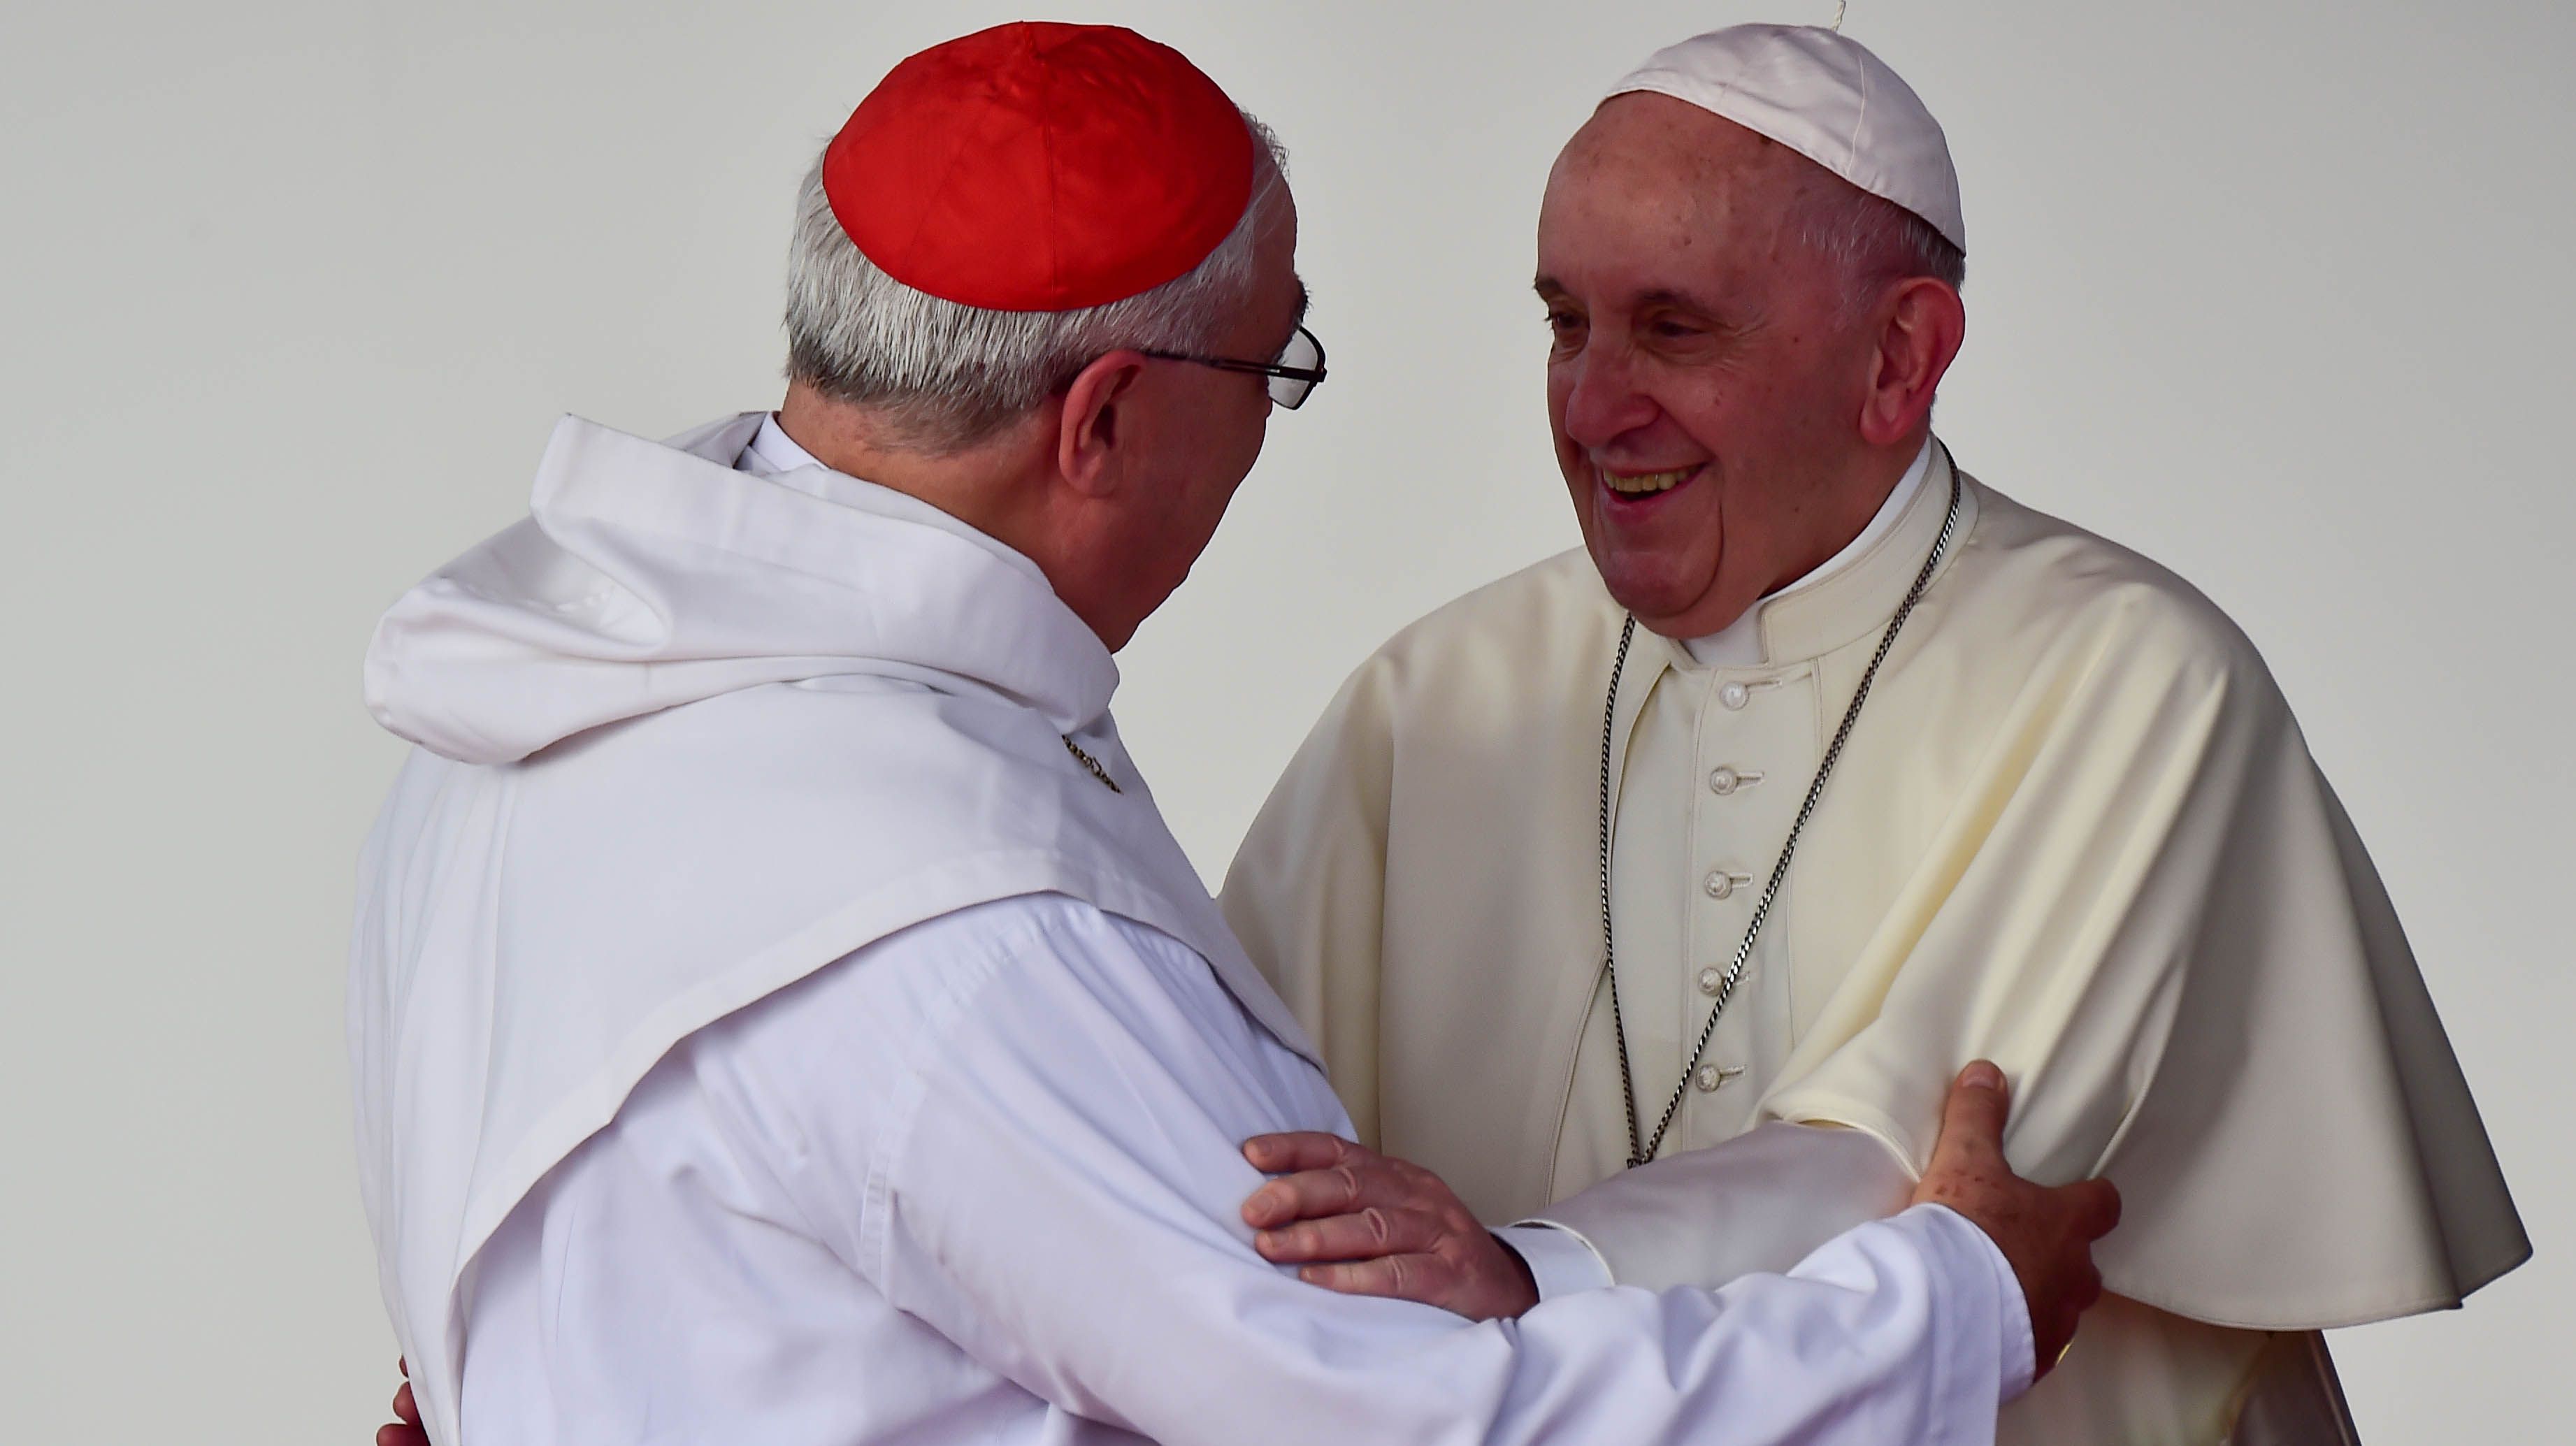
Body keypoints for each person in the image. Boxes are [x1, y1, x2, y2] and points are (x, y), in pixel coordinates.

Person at [350, 22, 2118, 1446]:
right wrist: (1950, 1308)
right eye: (1276, 375)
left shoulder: (529, 713)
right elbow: (1409, 1431)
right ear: (1107, 420)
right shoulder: (944, 922)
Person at [1220, 24, 2529, 1446]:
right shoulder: (1435, 699)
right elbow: (1225, 1147)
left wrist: (1526, 1274)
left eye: (1672, 327)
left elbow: (1938, 1174)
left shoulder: (2128, 675)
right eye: (1563, 322)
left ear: (1899, 355)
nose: (1590, 408)